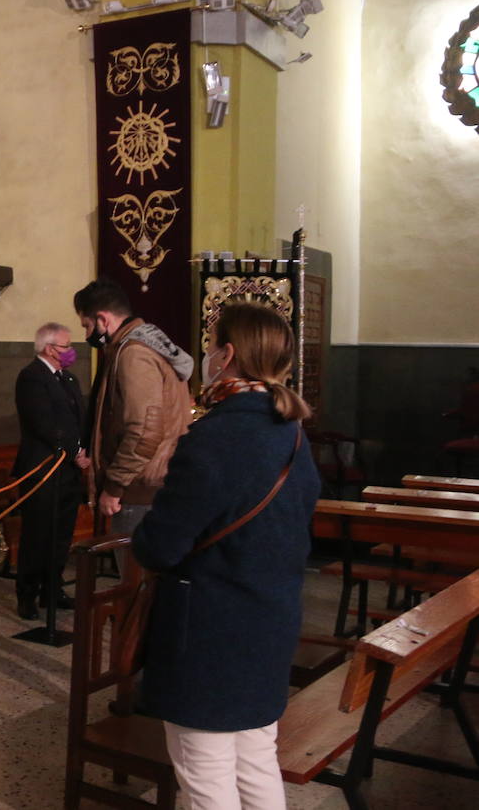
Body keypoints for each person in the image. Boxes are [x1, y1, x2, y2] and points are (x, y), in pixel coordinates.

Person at [133, 302, 320, 809]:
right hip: (271, 623)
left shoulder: (216, 436)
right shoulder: (292, 433)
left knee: (207, 777)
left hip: (211, 634)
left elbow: (159, 546)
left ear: (229, 354)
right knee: (256, 761)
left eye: (213, 345)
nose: (208, 354)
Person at [73, 278, 192, 539]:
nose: (86, 335)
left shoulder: (134, 354)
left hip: (140, 489)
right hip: (153, 483)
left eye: (87, 325)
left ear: (103, 320)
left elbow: (144, 430)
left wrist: (114, 486)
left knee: (133, 565)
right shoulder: (147, 344)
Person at [12, 322, 90, 620]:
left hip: (68, 471)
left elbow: (77, 419)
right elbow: (43, 423)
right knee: (38, 534)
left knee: (61, 534)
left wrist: (84, 449)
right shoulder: (32, 377)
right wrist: (74, 452)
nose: (71, 351)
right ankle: (27, 594)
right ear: (49, 348)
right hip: (42, 469)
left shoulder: (68, 378)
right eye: (66, 346)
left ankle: (52, 589)